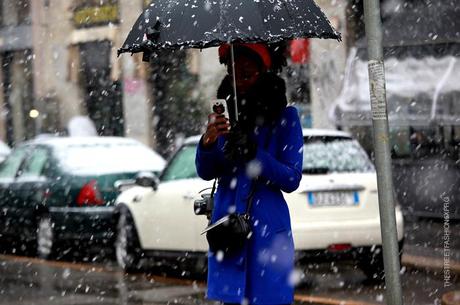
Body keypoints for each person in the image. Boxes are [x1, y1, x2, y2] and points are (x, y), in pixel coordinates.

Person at [195, 43, 303, 305]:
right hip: (229, 230)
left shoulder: (285, 118)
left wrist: (254, 152)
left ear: (264, 73)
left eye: (247, 74)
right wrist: (208, 142)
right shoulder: (225, 120)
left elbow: (291, 178)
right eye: (233, 74)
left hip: (267, 235)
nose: (239, 81)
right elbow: (206, 171)